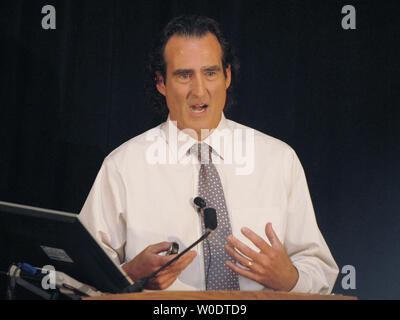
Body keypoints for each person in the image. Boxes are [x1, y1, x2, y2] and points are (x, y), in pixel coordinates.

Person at [79, 15, 339, 293]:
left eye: (210, 73)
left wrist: (290, 280)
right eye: (184, 75)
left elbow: (319, 268)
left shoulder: (278, 160)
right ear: (161, 83)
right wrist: (130, 276)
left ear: (227, 76)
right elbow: (82, 274)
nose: (199, 90)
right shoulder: (123, 166)